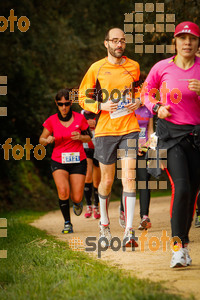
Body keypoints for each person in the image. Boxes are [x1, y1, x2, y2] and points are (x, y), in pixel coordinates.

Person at [143, 21, 200, 268]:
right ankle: (177, 248)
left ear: (198, 43)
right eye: (182, 38)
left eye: (192, 39)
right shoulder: (161, 67)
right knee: (182, 187)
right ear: (175, 42)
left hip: (197, 136)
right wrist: (157, 107)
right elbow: (145, 92)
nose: (187, 42)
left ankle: (184, 245)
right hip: (170, 136)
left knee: (193, 192)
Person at [79, 28, 142, 247]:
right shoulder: (96, 68)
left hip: (129, 128)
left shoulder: (133, 66)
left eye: (122, 40)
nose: (119, 44)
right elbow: (81, 96)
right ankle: (104, 224)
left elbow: (141, 88)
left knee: (129, 178)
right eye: (114, 40)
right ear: (106, 43)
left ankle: (129, 231)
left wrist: (139, 101)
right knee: (106, 181)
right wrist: (100, 105)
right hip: (105, 130)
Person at [39, 89, 92, 234]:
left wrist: (81, 137)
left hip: (78, 161)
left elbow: (89, 137)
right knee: (63, 192)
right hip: (59, 160)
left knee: (77, 196)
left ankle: (77, 203)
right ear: (57, 103)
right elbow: (41, 139)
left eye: (67, 104)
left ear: (71, 103)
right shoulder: (51, 120)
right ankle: (67, 223)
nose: (64, 107)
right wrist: (47, 140)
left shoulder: (80, 119)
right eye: (61, 104)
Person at [119, 102, 154, 230]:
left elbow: (150, 131)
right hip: (127, 148)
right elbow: (120, 131)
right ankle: (123, 210)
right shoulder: (124, 107)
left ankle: (144, 216)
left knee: (144, 181)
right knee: (129, 179)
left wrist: (148, 146)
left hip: (144, 149)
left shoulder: (148, 108)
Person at [81, 110, 101, 219]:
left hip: (99, 148)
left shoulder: (100, 111)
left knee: (97, 181)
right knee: (88, 177)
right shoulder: (81, 113)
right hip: (86, 148)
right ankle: (88, 205)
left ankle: (96, 206)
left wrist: (97, 124)